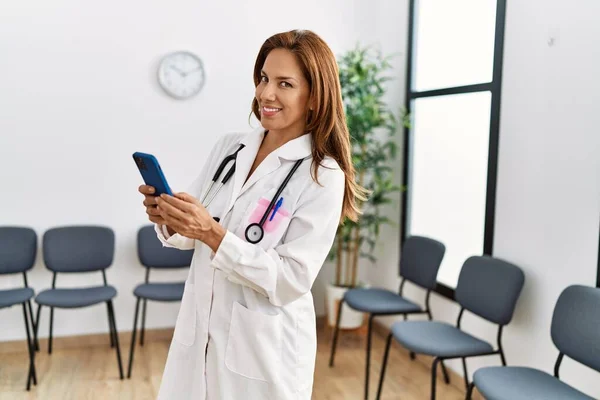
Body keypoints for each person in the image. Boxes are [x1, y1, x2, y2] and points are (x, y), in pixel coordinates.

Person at [138, 29, 364, 400]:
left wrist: (212, 234)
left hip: (263, 350)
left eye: (284, 83)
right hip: (201, 334)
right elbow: (195, 225)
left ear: (314, 97)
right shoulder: (231, 147)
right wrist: (168, 216)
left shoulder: (322, 175)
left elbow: (291, 278)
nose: (265, 94)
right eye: (263, 78)